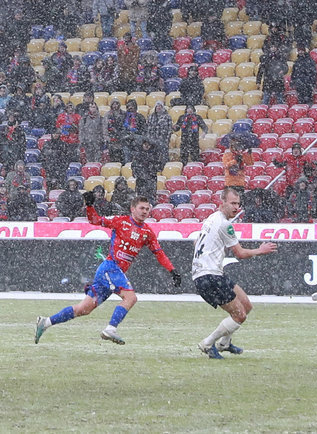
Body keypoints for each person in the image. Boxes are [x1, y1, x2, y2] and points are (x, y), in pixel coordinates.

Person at [35, 194, 182, 345]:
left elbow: (159, 253)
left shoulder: (147, 232)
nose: (145, 211)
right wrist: (90, 206)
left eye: (147, 209)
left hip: (112, 272)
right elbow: (95, 221)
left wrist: (172, 270)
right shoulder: (121, 221)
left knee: (83, 309)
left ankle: (46, 322)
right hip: (110, 268)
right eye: (141, 208)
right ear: (133, 209)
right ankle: (111, 329)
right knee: (131, 298)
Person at [192, 188, 278, 359]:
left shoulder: (211, 219)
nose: (236, 207)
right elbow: (240, 253)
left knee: (246, 305)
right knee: (240, 315)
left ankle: (224, 343)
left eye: (238, 204)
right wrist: (260, 250)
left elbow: (196, 241)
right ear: (221, 203)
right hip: (209, 276)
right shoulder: (225, 224)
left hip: (211, 273)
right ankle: (207, 344)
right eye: (232, 203)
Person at [132, 138, 162, 203]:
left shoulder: (154, 155)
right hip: (141, 180)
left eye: (148, 145)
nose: (146, 146)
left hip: (151, 179)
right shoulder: (138, 155)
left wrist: (151, 171)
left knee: (151, 198)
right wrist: (138, 174)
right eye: (145, 144)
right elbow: (134, 166)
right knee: (140, 198)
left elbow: (159, 166)